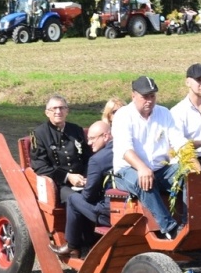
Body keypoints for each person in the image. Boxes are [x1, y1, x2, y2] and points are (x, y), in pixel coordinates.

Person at [111, 75, 189, 240]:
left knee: (188, 174)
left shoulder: (164, 113)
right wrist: (142, 168)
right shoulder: (123, 116)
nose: (149, 100)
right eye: (145, 97)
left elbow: (179, 142)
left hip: (160, 169)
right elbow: (125, 150)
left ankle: (188, 222)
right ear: (133, 96)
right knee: (143, 180)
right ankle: (169, 228)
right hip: (127, 170)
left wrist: (191, 162)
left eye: (152, 96)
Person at [63, 119, 115, 255]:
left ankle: (72, 246)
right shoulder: (127, 150)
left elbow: (88, 196)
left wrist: (87, 184)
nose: (89, 143)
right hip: (133, 211)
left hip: (109, 214)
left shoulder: (97, 160)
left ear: (105, 136)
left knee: (73, 199)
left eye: (92, 138)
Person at [29, 93, 87, 191]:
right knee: (75, 199)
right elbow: (40, 166)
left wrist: (87, 176)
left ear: (67, 111)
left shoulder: (76, 130)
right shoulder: (39, 134)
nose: (58, 111)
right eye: (54, 108)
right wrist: (67, 177)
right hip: (58, 184)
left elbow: (87, 156)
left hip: (84, 179)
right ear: (47, 113)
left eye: (61, 108)